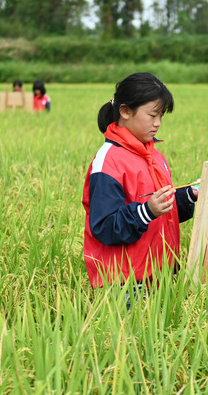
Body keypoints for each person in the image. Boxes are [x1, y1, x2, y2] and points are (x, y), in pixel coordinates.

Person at [82, 72, 199, 291]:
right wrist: (147, 211)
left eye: (161, 116)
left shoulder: (154, 156)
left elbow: (162, 212)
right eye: (152, 115)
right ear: (125, 111)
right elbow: (105, 226)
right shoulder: (109, 162)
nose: (158, 123)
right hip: (126, 284)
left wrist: (189, 196)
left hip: (161, 274)